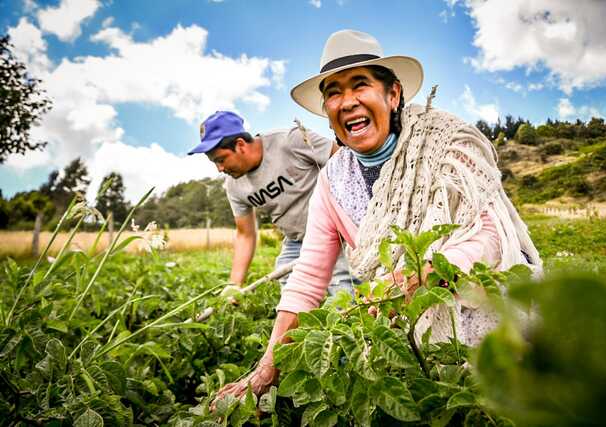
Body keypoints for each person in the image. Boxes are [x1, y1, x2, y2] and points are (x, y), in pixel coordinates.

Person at [213, 29, 541, 403]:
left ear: (393, 94)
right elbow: (307, 277)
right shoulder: (333, 181)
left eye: (360, 85)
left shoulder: (446, 143)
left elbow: (489, 236)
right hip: (415, 316)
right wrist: (266, 368)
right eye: (334, 92)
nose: (347, 101)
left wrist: (417, 276)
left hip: (486, 298)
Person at [188, 110, 353, 293]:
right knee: (290, 294)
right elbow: (245, 235)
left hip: (335, 232)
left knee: (344, 291)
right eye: (214, 162)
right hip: (296, 240)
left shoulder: (291, 141)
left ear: (240, 145)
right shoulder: (234, 186)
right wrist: (234, 285)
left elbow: (348, 164)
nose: (219, 169)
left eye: (221, 159)